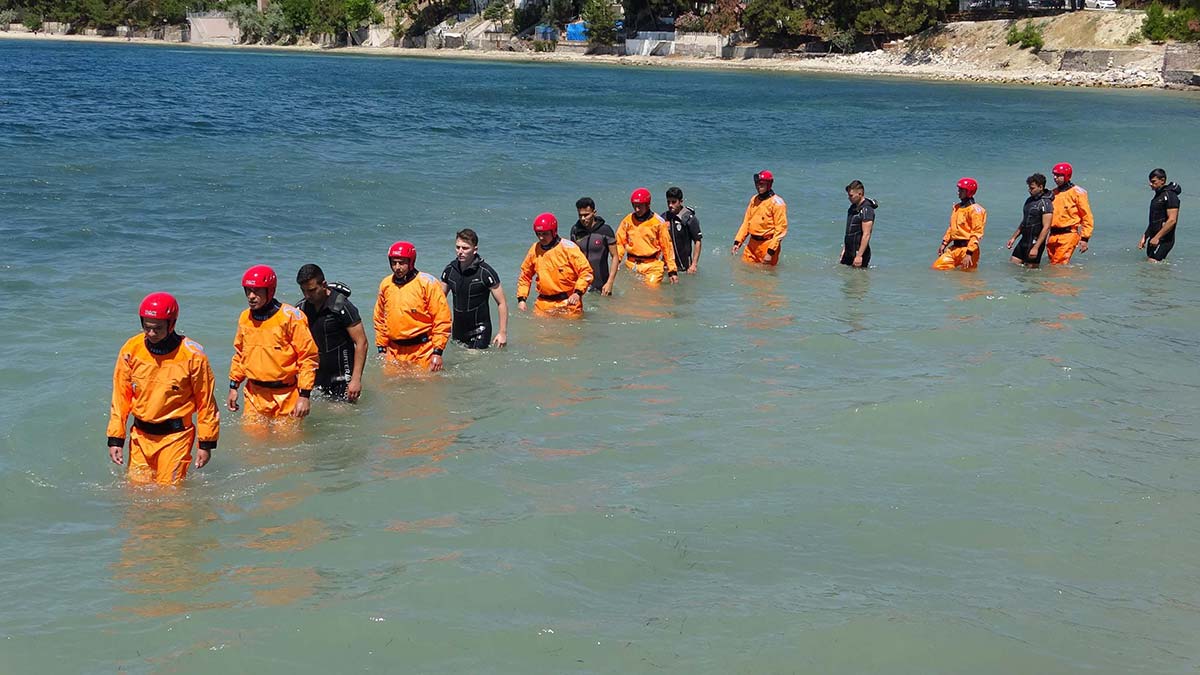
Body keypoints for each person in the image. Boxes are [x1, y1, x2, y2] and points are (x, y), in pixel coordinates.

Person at [107, 292, 219, 485]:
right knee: (136, 491)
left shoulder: (193, 355)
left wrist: (206, 443)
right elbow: (120, 397)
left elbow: (206, 401)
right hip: (140, 436)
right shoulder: (131, 349)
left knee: (169, 494)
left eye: (157, 328)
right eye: (147, 327)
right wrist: (116, 438)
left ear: (171, 324)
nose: (151, 333)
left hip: (176, 437)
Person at [228, 265, 320, 420]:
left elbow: (308, 357)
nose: (251, 296)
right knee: (251, 435)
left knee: (287, 436)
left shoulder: (291, 317)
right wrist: (233, 386)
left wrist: (304, 395)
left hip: (286, 395)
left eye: (257, 291)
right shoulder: (245, 318)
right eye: (248, 291)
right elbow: (240, 354)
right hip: (254, 395)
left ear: (270, 291)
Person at [374, 241, 452, 372]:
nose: (397, 267)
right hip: (393, 351)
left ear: (411, 262)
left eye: (401, 263)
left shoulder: (427, 283)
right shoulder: (386, 284)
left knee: (425, 384)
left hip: (423, 351)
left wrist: (437, 352)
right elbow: (380, 318)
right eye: (393, 263)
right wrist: (381, 348)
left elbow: (442, 319)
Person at [295, 264, 368, 402]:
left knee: (341, 412)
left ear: (324, 285)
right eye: (303, 291)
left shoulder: (342, 306)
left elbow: (361, 342)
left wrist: (356, 379)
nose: (307, 295)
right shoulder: (301, 309)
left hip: (342, 376)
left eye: (311, 290)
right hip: (316, 375)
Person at [441, 228, 509, 348]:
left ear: (475, 250)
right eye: (457, 247)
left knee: (472, 358)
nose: (460, 251)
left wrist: (502, 332)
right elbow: (439, 300)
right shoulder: (450, 270)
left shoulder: (485, 272)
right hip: (457, 330)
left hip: (480, 330)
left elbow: (501, 303)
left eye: (465, 248)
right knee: (458, 359)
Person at [517, 213, 594, 317]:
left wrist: (577, 293)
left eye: (545, 234)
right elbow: (525, 275)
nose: (541, 237)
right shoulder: (534, 250)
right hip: (543, 304)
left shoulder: (569, 248)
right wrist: (522, 299)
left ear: (554, 232)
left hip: (569, 303)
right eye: (538, 234)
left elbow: (586, 272)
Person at [616, 188, 678, 285]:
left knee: (651, 291)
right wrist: (617, 261)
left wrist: (672, 270)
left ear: (648, 205)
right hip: (631, 264)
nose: (637, 209)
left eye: (640, 206)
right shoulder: (627, 220)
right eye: (634, 205)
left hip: (652, 266)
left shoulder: (658, 222)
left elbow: (667, 247)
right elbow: (619, 243)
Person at [732, 170, 788, 266]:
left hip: (767, 245)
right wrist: (738, 242)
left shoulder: (777, 203)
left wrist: (770, 252)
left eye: (762, 184)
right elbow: (746, 222)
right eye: (757, 184)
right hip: (751, 245)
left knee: (766, 274)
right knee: (743, 271)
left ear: (769, 184)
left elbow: (780, 230)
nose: (758, 186)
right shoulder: (754, 199)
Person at [933, 177, 988, 271]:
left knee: (966, 277)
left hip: (968, 250)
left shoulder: (976, 210)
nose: (958, 192)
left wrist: (969, 253)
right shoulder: (957, 207)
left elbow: (977, 233)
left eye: (961, 190)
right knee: (937, 268)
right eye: (959, 190)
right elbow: (952, 228)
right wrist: (944, 243)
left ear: (969, 192)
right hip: (954, 248)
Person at [1046, 162, 1094, 265]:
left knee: (1058, 264)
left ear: (1066, 176)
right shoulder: (1052, 193)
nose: (1055, 178)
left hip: (1068, 234)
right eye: (1054, 175)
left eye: (1058, 175)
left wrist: (1085, 238)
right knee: (1053, 264)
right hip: (1053, 235)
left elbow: (1086, 216)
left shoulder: (1078, 193)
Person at [570, 197, 618, 295]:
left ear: (594, 213)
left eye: (586, 215)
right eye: (580, 215)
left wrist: (610, 282)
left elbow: (615, 256)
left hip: (602, 284)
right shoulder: (575, 230)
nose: (583, 219)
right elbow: (572, 257)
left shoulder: (605, 230)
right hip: (581, 284)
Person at [1005, 173, 1054, 268]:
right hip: (1024, 240)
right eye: (1029, 188)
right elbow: (1024, 222)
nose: (1029, 190)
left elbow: (1046, 227)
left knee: (1031, 273)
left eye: (1032, 188)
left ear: (1040, 187)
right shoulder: (1029, 200)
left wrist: (1036, 247)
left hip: (1035, 242)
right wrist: (1013, 238)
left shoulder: (1046, 203)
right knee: (1012, 265)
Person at [1139, 168, 1181, 262]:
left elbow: (1172, 220)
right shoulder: (1158, 196)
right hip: (1154, 237)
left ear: (1162, 180)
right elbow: (1155, 220)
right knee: (1152, 266)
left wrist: (1157, 237)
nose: (1150, 184)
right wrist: (1145, 236)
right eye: (1150, 181)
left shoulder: (1170, 196)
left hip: (1164, 239)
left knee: (1153, 262)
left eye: (1153, 181)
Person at [662, 187, 702, 274]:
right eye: (668, 202)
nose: (670, 205)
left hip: (685, 267)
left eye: (673, 202)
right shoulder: (664, 217)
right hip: (667, 266)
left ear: (680, 202)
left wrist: (694, 265)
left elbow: (698, 241)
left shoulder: (689, 219)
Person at [840, 180, 877, 268]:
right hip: (849, 251)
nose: (849, 198)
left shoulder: (867, 210)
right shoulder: (853, 208)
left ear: (860, 194)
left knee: (858, 276)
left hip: (859, 252)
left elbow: (866, 234)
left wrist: (859, 256)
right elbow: (849, 232)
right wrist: (844, 249)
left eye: (851, 195)